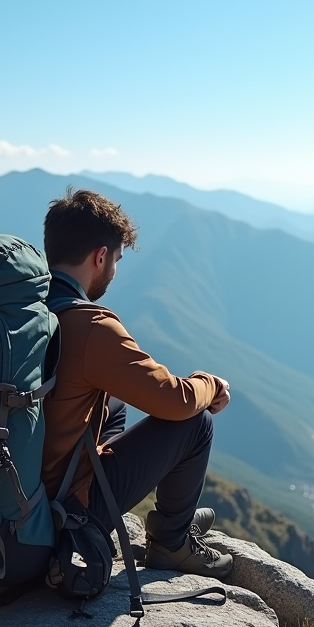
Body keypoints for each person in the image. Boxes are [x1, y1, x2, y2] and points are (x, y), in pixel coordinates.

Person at [40, 188, 233, 578]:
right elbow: (174, 401)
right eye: (116, 260)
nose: (113, 270)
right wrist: (209, 384)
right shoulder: (91, 325)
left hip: (3, 492)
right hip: (52, 510)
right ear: (100, 257)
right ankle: (172, 541)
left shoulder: (19, 310)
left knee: (111, 406)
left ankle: (167, 522)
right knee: (196, 423)